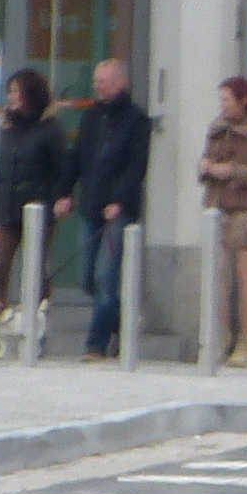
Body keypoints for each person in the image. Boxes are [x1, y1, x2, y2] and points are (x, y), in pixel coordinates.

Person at [54, 58, 153, 361]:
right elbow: (77, 157)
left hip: (118, 211)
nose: (97, 85)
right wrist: (65, 192)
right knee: (87, 279)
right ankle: (122, 324)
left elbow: (136, 167)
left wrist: (119, 201)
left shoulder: (137, 120)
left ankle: (95, 344)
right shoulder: (91, 117)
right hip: (91, 205)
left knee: (107, 277)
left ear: (120, 83)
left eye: (103, 81)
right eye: (96, 80)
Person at [0, 69, 61, 355]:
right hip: (7, 208)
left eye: (17, 92)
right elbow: (3, 172)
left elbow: (60, 170)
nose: (12, 97)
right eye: (11, 92)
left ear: (31, 94)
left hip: (37, 210)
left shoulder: (49, 129)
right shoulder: (9, 128)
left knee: (35, 269)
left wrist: (58, 199)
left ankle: (37, 328)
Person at [197, 75, 247, 367]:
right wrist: (206, 168)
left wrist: (234, 171)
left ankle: (245, 340)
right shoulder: (217, 128)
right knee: (218, 277)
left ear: (243, 100)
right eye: (220, 100)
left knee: (244, 276)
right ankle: (219, 337)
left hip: (246, 209)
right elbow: (206, 162)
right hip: (217, 207)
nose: (222, 105)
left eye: (227, 99)